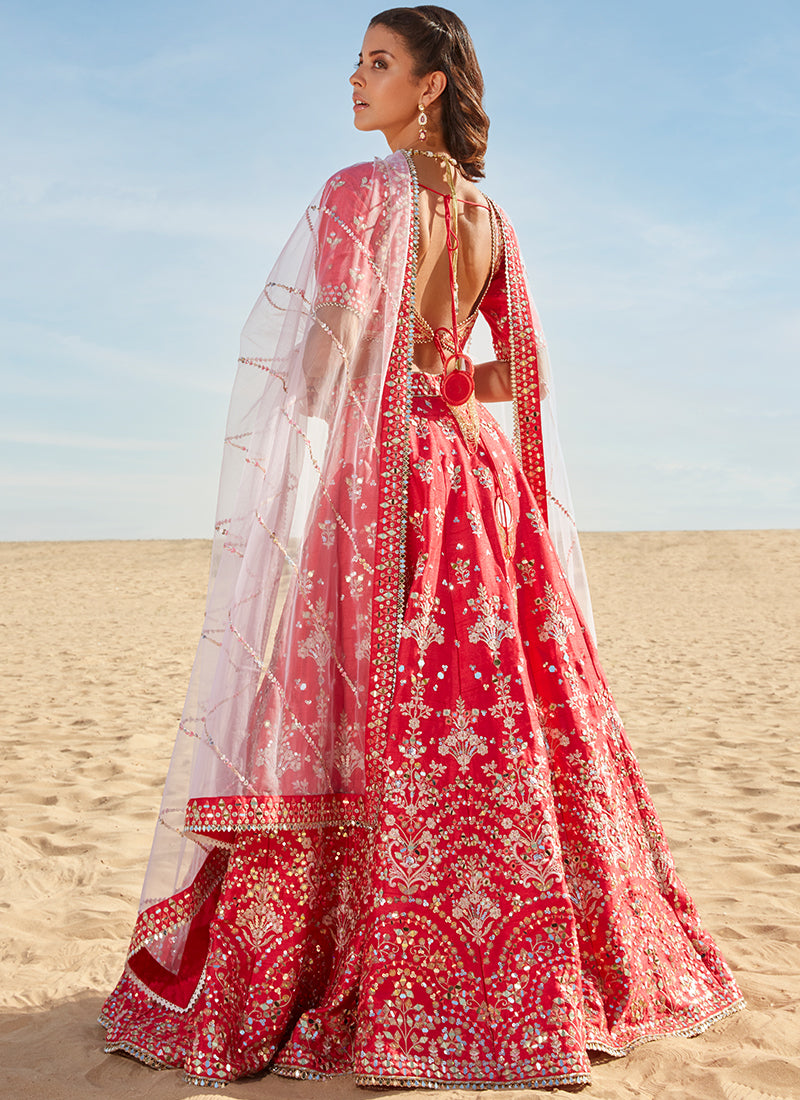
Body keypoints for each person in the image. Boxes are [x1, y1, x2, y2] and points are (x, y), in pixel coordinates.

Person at [100, 5, 744, 1090]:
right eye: (356, 61)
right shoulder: (493, 217)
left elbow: (326, 358)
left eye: (379, 62)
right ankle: (532, 977)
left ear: (432, 83)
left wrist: (340, 370)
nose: (355, 79)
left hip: (390, 477)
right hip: (479, 478)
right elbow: (513, 378)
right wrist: (444, 379)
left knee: (366, 704)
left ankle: (372, 977)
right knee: (496, 705)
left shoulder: (357, 194)